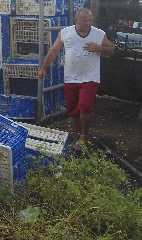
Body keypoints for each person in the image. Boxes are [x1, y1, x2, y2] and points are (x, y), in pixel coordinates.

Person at [38, 8, 114, 150]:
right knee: (73, 110)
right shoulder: (66, 33)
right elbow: (54, 50)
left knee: (85, 107)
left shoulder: (98, 34)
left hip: (90, 77)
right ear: (76, 20)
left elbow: (111, 49)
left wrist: (100, 48)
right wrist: (43, 68)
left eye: (90, 20)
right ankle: (77, 136)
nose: (87, 23)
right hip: (71, 78)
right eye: (84, 20)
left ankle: (84, 137)